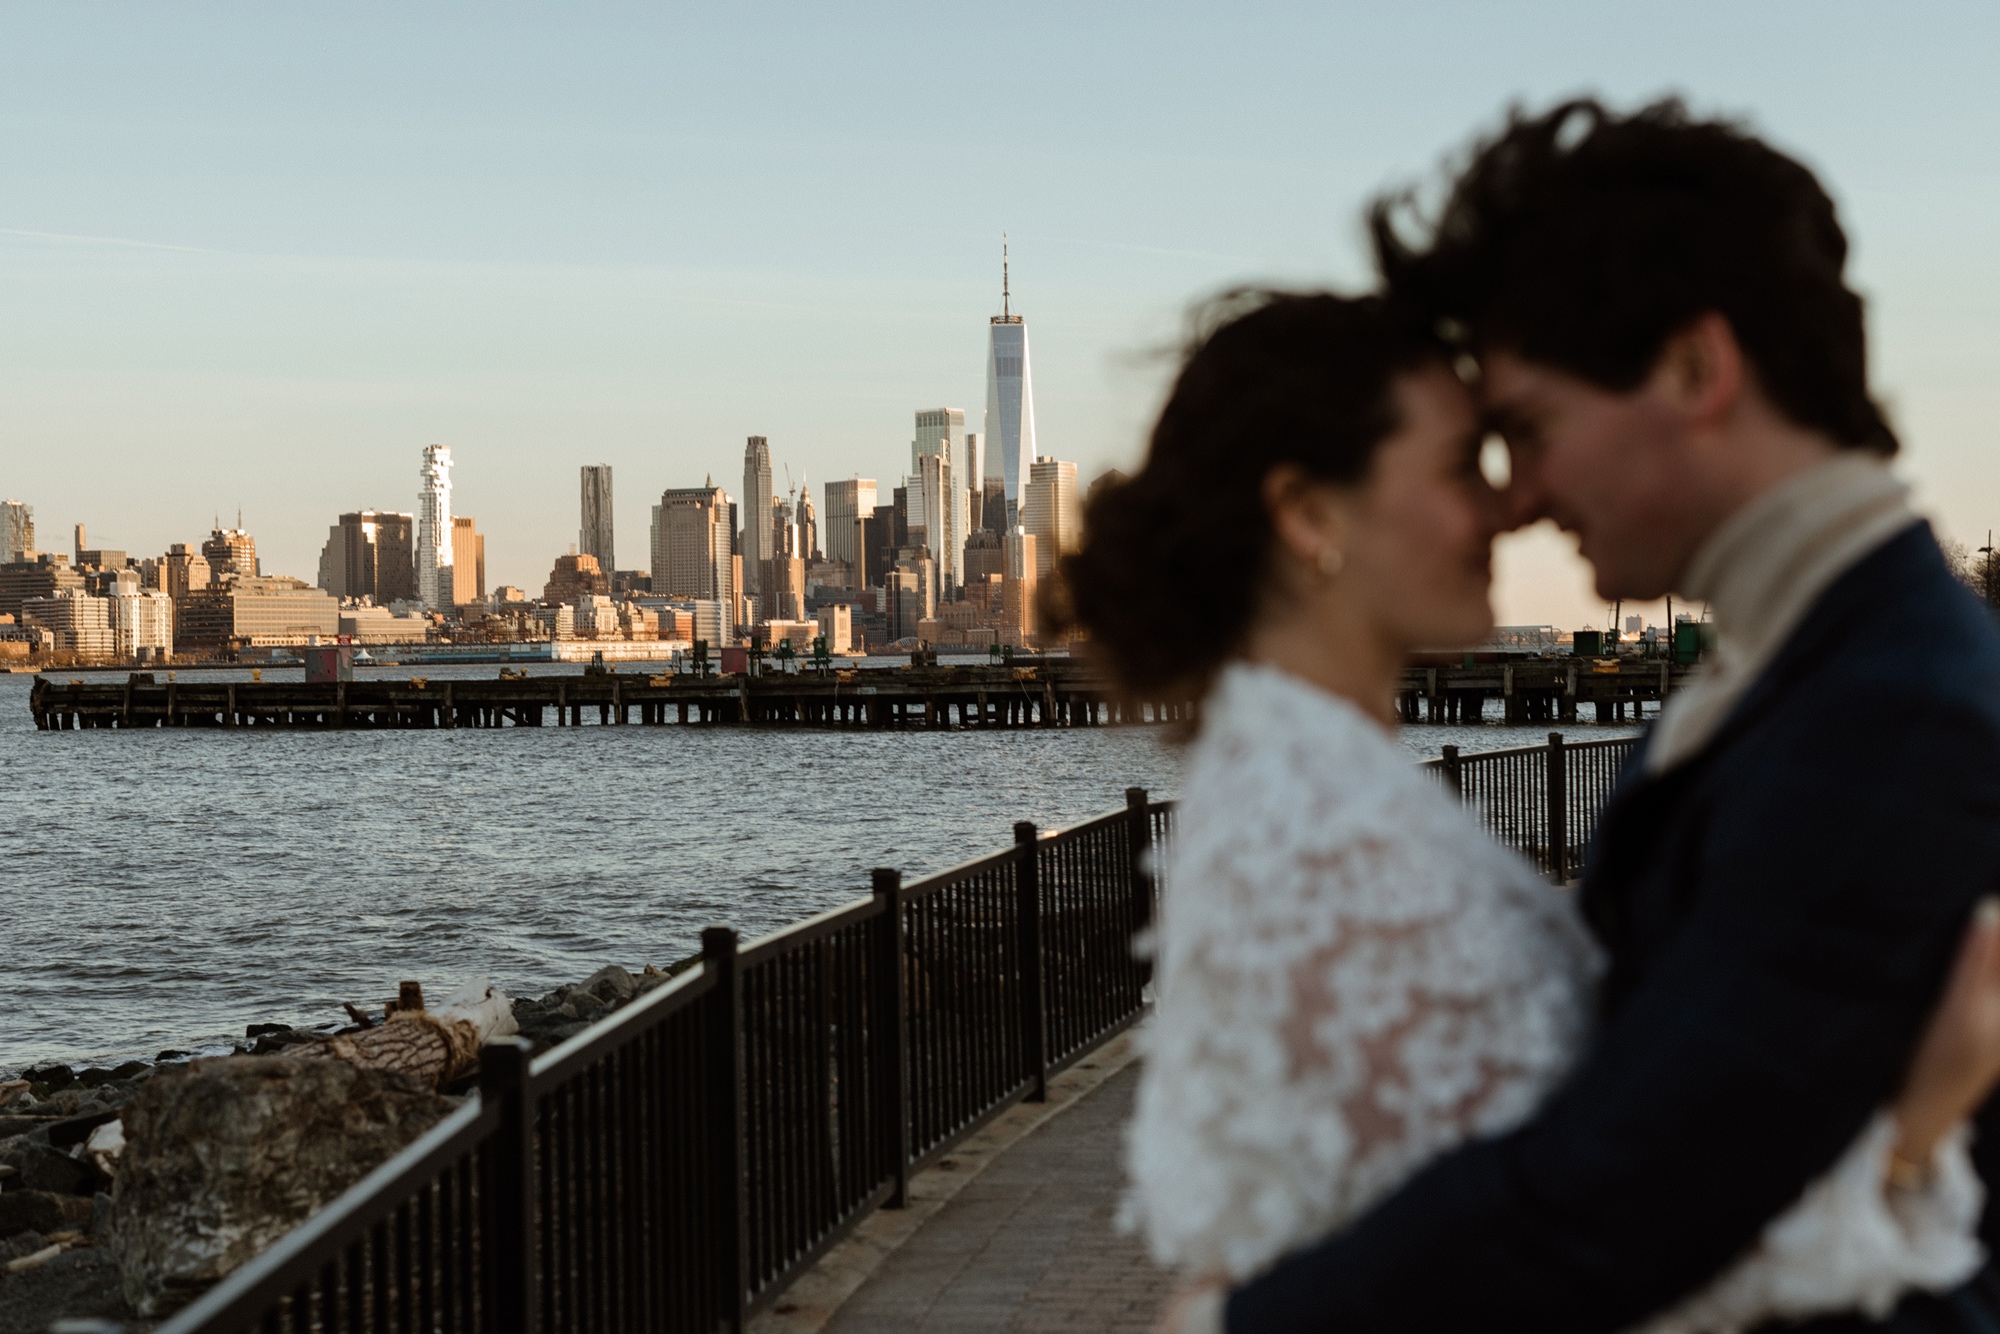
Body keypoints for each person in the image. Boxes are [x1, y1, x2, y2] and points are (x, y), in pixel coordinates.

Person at [1148, 100, 2000, 1332]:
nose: (1523, 497)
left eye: (1528, 431)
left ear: (1696, 371)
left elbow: (1623, 1202)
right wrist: (1896, 1144)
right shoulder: (1781, 672)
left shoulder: (1904, 719)